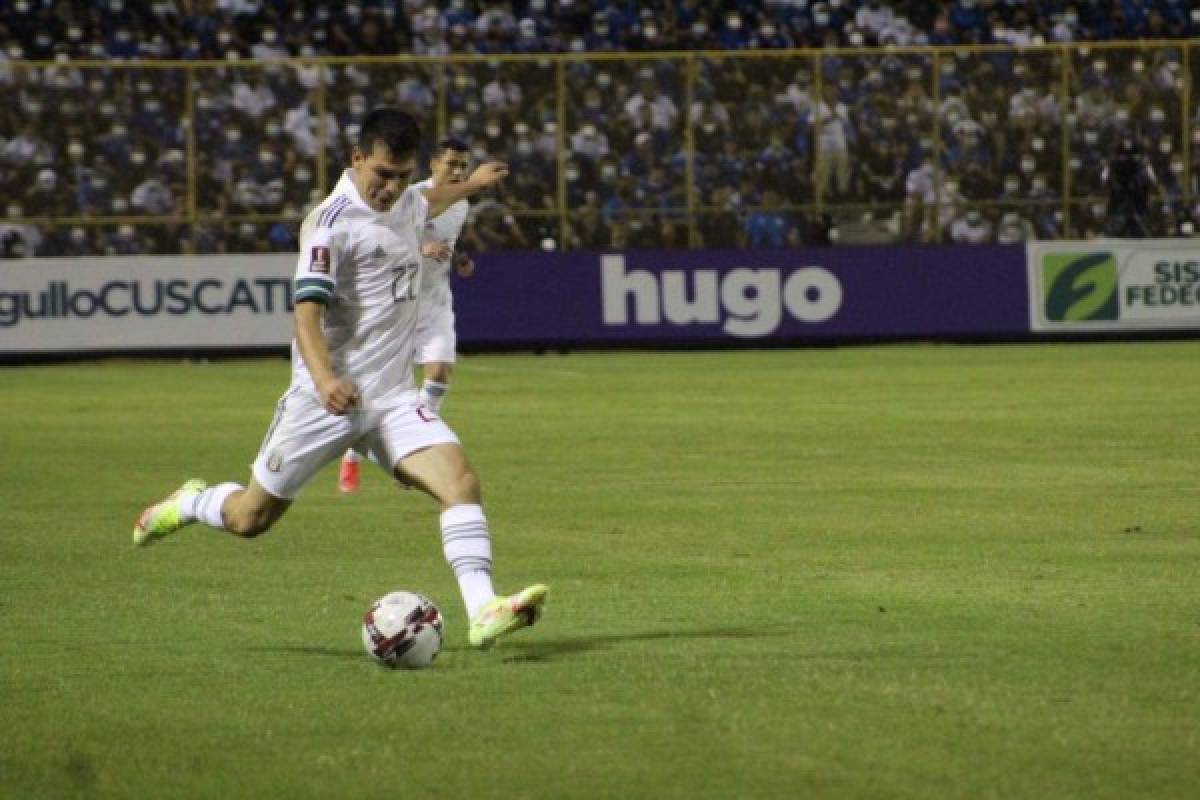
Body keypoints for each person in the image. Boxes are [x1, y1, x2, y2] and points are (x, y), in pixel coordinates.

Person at [132, 107, 547, 649]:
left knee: (461, 481)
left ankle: (483, 608)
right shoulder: (331, 226)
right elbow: (306, 313)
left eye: (400, 176)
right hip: (323, 401)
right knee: (249, 519)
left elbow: (427, 201)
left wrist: (472, 184)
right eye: (381, 175)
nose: (390, 189)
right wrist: (326, 380)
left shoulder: (407, 201)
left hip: (392, 399)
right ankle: (189, 503)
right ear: (357, 160)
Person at [338, 138, 476, 494]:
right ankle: (352, 456)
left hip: (435, 302)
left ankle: (414, 448)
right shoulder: (410, 198)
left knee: (440, 372)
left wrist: (458, 259)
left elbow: (449, 241)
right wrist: (419, 248)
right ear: (432, 164)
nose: (458, 172)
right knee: (373, 389)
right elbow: (379, 241)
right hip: (397, 301)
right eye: (452, 164)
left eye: (463, 165)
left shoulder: (460, 204)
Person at [1102, 136, 1158, 238]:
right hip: (1120, 190)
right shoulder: (1114, 160)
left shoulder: (1141, 160)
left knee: (1140, 210)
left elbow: (1151, 177)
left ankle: (1144, 227)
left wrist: (1145, 183)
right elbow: (1105, 176)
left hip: (1136, 190)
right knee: (1117, 209)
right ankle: (1113, 229)